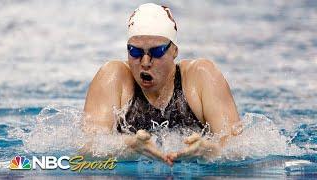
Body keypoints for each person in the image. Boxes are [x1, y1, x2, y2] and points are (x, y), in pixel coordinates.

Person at [83, 3, 241, 166]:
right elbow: (88, 149)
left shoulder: (201, 76)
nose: (145, 62)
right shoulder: (113, 77)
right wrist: (128, 147)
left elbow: (238, 147)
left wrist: (209, 150)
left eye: (156, 52)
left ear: (174, 51)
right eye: (135, 52)